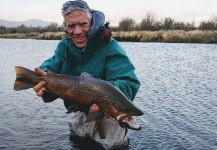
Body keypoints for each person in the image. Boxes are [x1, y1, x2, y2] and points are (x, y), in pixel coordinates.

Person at [33, 0, 140, 149]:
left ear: (91, 22)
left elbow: (129, 82)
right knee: (78, 143)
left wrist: (100, 95)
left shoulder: (110, 46)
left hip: (110, 116)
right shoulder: (64, 46)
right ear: (65, 27)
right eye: (71, 26)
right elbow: (51, 64)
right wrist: (40, 79)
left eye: (83, 24)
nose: (77, 31)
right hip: (80, 111)